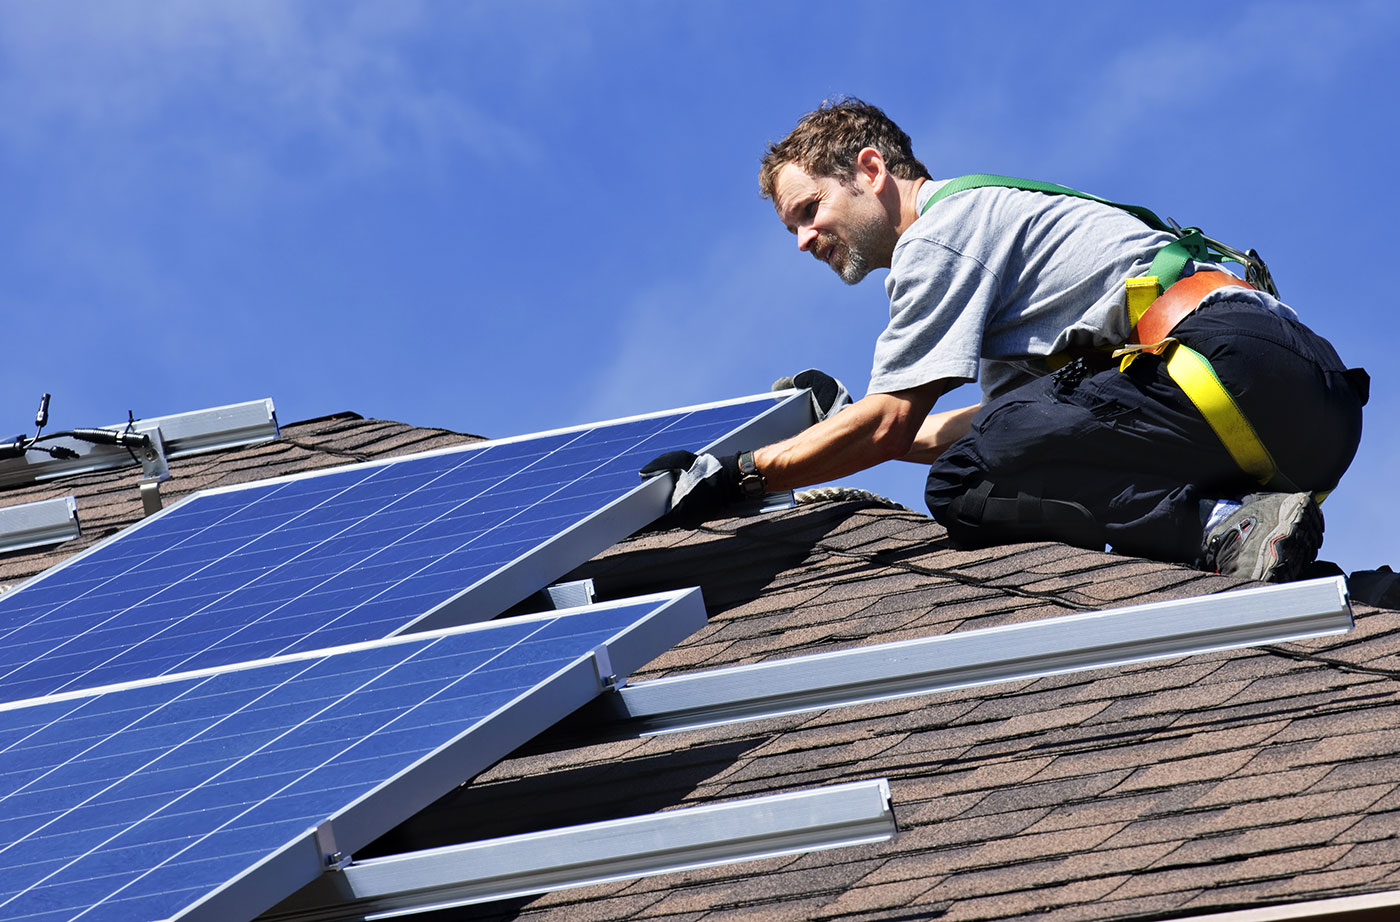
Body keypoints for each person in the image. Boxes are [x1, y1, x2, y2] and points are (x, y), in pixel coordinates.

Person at [641, 98, 1367, 582]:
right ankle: (1286, 552)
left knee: (965, 488)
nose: (802, 240)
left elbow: (898, 424)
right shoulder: (1000, 234)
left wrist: (741, 475)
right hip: (1307, 407)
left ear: (870, 169)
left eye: (809, 210)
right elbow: (981, 428)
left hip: (1223, 372)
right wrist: (842, 431)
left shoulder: (939, 238)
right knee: (987, 454)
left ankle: (1222, 528)